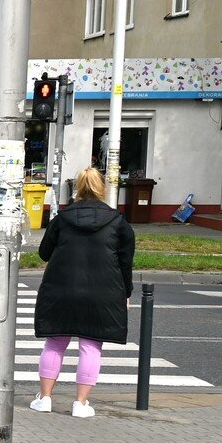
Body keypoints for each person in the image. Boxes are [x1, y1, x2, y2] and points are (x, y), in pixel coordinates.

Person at [32, 166, 136, 418]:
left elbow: (44, 253)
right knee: (91, 346)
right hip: (102, 292)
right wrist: (126, 293)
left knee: (55, 343)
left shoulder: (62, 219)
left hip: (62, 290)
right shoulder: (118, 222)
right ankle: (80, 403)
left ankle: (45, 398)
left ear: (78, 188)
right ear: (103, 189)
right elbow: (125, 263)